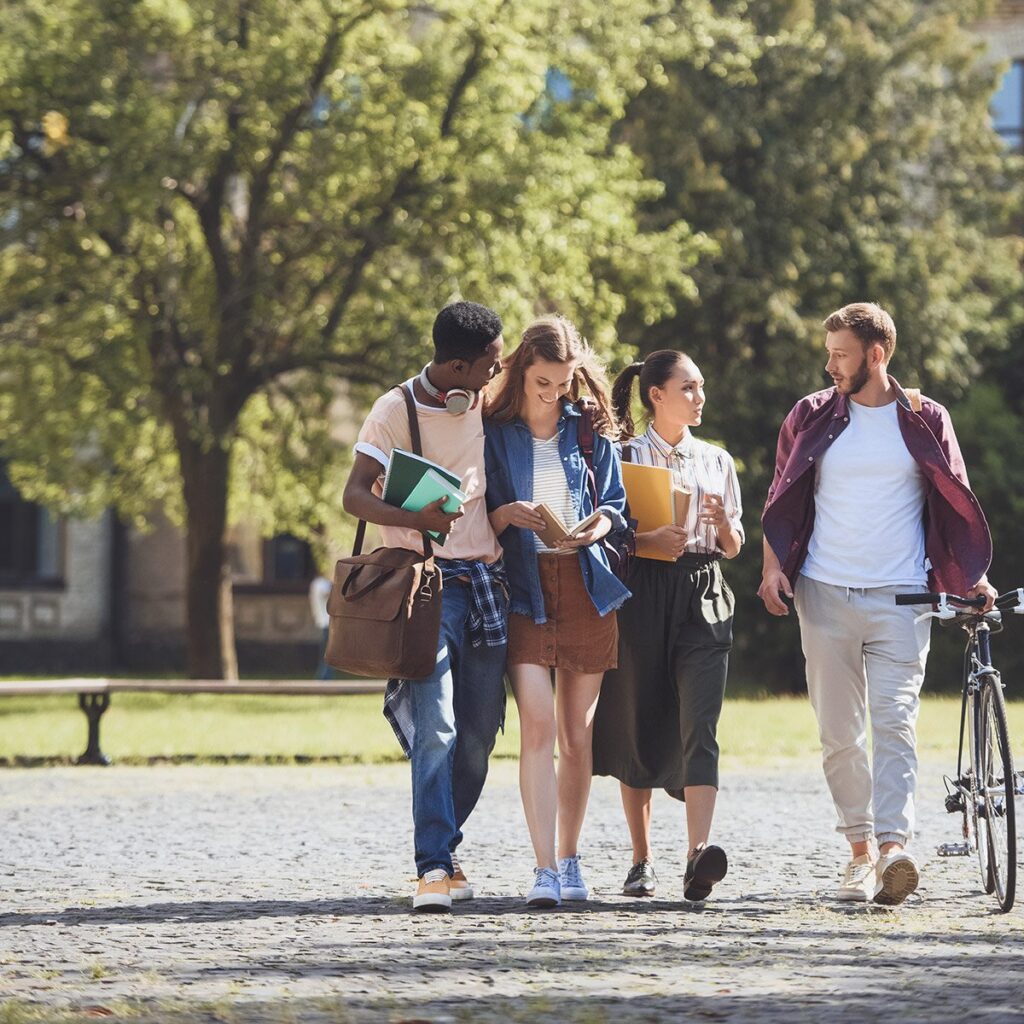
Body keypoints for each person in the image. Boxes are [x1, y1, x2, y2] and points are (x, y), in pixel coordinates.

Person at [759, 302, 995, 906]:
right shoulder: (811, 414)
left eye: (841, 354)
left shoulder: (925, 418)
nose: (830, 364)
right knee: (839, 734)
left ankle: (894, 849)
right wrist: (770, 570)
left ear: (876, 354)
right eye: (830, 352)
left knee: (895, 721)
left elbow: (955, 501)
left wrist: (972, 577)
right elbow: (781, 495)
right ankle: (859, 853)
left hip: (902, 597)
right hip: (823, 591)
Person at [342, 300, 507, 913]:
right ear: (458, 365)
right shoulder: (395, 409)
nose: (496, 373)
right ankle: (433, 866)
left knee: (476, 738)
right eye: (489, 364)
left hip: (486, 584)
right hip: (425, 587)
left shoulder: (491, 400)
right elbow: (355, 495)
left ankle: (446, 845)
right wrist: (415, 518)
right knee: (434, 725)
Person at [483, 315, 630, 907]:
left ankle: (571, 859)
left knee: (577, 734)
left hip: (586, 584)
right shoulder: (493, 429)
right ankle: (543, 869)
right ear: (521, 370)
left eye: (564, 382)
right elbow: (474, 513)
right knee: (537, 725)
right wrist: (504, 516)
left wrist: (599, 524)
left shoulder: (588, 428)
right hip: (522, 588)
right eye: (543, 382)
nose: (554, 393)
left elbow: (617, 506)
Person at [592, 350, 743, 903]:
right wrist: (648, 541)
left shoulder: (718, 461)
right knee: (639, 716)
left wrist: (725, 523)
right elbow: (605, 533)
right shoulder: (622, 456)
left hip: (704, 588)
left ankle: (697, 856)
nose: (700, 397)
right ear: (657, 394)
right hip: (641, 592)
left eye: (701, 388)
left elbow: (735, 547)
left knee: (699, 723)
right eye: (690, 388)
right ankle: (641, 859)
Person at [308, 571, 335, 680]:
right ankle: (324, 678)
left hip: (324, 622)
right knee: (329, 653)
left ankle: (323, 677)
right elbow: (327, 593)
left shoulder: (315, 583)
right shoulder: (321, 583)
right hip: (327, 622)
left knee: (326, 652)